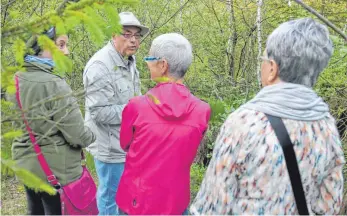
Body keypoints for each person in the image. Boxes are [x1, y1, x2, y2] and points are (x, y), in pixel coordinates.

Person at [190, 18, 345, 215]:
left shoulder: (244, 122)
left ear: (272, 68)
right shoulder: (327, 126)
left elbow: (211, 207)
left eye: (263, 60)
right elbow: (330, 205)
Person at [115, 33, 211, 215]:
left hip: (136, 202)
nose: (146, 63)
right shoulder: (202, 110)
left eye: (150, 58)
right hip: (175, 202)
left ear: (163, 65)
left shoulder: (136, 106)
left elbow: (125, 144)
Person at [10, 27, 96, 215]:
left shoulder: (15, 79)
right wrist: (92, 132)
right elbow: (78, 136)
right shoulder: (54, 84)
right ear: (39, 48)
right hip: (57, 171)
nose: (66, 51)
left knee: (35, 211)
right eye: (60, 45)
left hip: (27, 166)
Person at [83, 12, 149, 215]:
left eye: (137, 35)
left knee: (125, 196)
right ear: (113, 34)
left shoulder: (130, 61)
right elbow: (99, 112)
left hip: (127, 145)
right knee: (110, 197)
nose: (133, 40)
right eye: (127, 34)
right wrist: (136, 110)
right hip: (110, 148)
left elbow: (132, 97)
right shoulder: (100, 66)